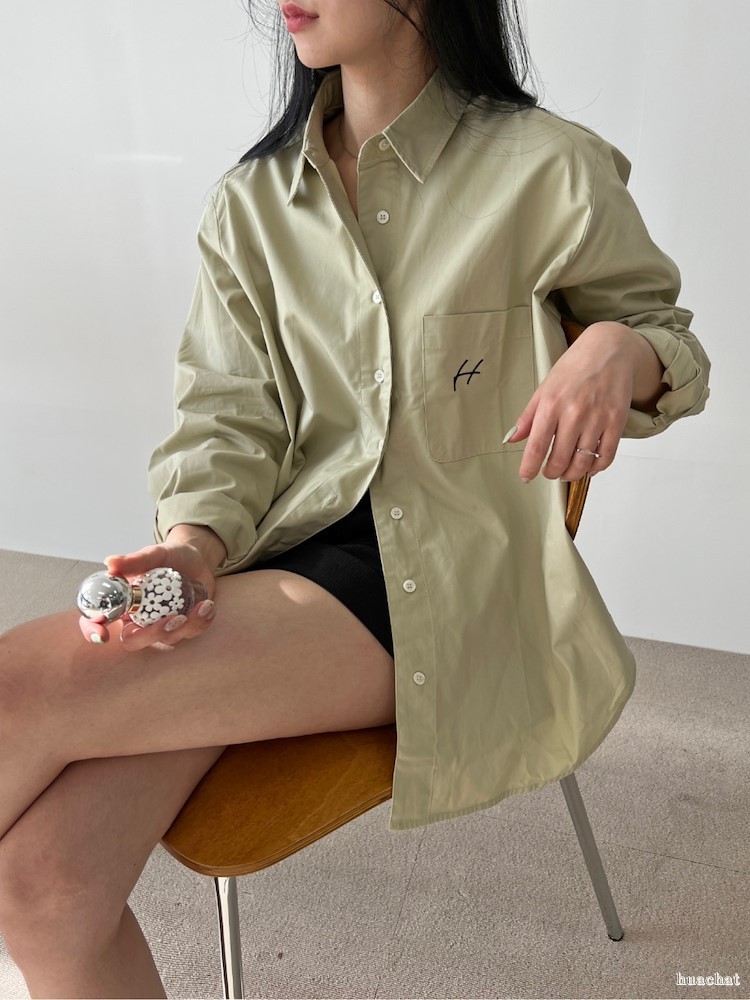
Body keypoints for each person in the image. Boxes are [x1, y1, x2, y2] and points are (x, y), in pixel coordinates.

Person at [0, 0, 710, 996]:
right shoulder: (253, 203)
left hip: (446, 577)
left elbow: (669, 341)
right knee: (43, 883)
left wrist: (614, 346)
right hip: (276, 562)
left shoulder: (545, 166)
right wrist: (193, 546)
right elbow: (228, 418)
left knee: (13, 691)